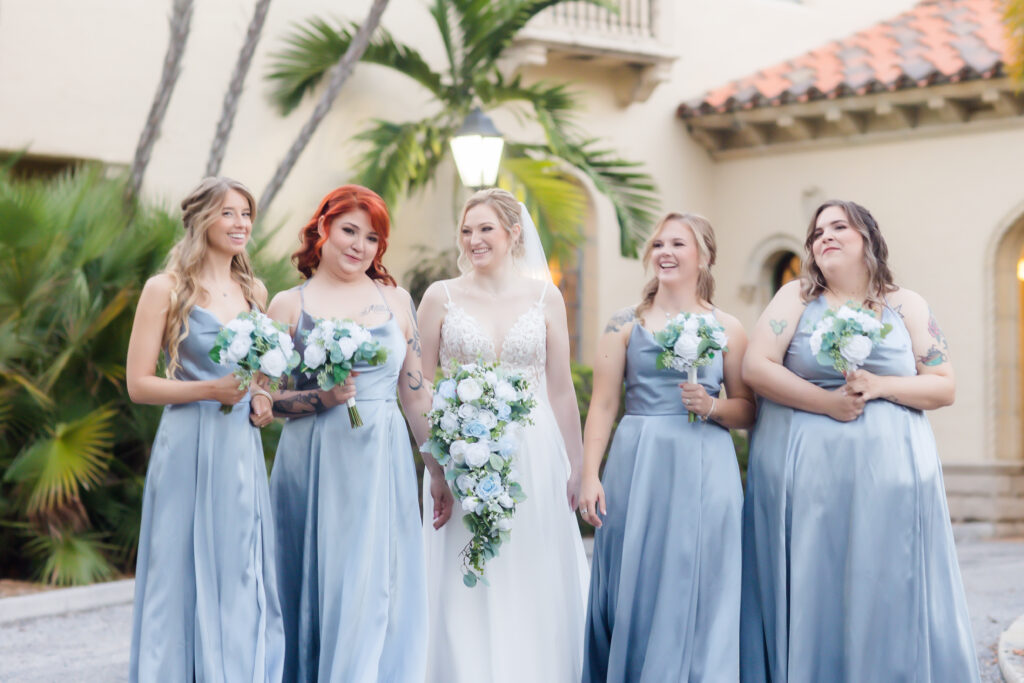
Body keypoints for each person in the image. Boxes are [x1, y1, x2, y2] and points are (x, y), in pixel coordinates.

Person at [739, 200, 980, 682]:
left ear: (867, 237)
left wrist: (881, 386)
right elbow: (756, 367)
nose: (823, 237)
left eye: (838, 227)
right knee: (819, 585)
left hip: (892, 486)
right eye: (816, 232)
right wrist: (827, 403)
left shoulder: (906, 304)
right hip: (811, 488)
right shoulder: (796, 298)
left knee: (885, 586)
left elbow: (943, 385)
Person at [266, 184, 452, 682]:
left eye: (372, 238)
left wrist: (437, 472)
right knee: (317, 584)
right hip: (312, 460)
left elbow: (414, 396)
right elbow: (262, 402)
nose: (359, 246)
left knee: (374, 586)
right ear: (322, 229)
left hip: (379, 458)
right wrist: (320, 399)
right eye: (350, 231)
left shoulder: (394, 298)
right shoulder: (288, 304)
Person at [417, 188, 589, 682]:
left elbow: (559, 391)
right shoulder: (440, 296)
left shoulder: (545, 297)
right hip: (461, 452)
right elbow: (423, 385)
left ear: (514, 233)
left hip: (533, 453)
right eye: (467, 231)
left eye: (486, 229)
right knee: (467, 572)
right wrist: (438, 460)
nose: (474, 239)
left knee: (529, 567)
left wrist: (577, 466)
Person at [579, 212, 755, 682]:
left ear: (705, 257)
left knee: (704, 579)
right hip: (640, 465)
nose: (665, 252)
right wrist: (590, 474)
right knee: (640, 581)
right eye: (658, 244)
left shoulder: (729, 328)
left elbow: (748, 409)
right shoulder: (623, 324)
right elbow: (602, 406)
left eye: (678, 243)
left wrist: (713, 407)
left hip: (706, 467)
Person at [125, 176, 284, 681]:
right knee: (177, 568)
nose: (241, 224)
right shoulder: (165, 289)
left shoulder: (255, 290)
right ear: (200, 220)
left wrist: (262, 397)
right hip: (187, 443)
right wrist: (206, 391)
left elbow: (263, 376)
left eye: (246, 214)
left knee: (240, 565)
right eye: (228, 213)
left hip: (239, 446)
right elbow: (138, 384)